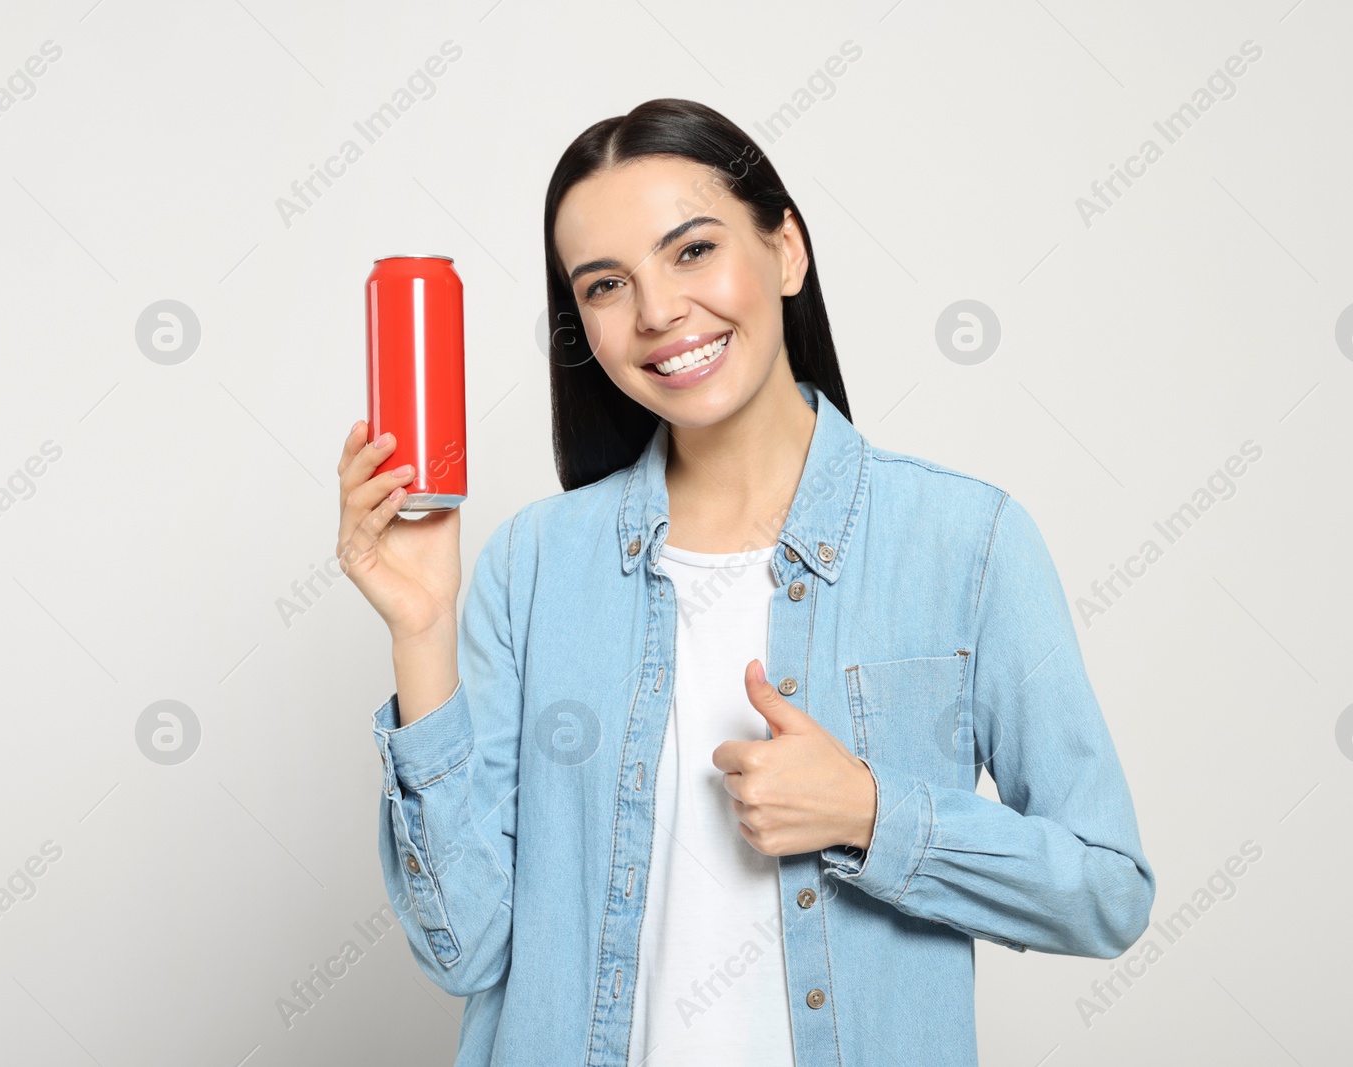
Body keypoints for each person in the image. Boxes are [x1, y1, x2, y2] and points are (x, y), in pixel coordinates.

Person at [336, 98, 1154, 1067]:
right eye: (604, 284)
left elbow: (1107, 892)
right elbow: (462, 945)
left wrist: (868, 811)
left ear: (787, 250)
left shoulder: (964, 542)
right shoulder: (534, 563)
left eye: (691, 251)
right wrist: (421, 631)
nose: (656, 312)